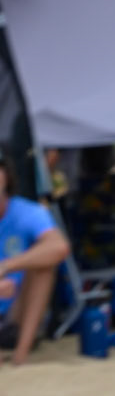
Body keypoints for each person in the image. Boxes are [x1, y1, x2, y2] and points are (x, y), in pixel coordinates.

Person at [0, 153, 69, 368]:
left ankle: (21, 354)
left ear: (6, 176)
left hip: (15, 312)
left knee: (44, 267)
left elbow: (59, 247)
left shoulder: (26, 211)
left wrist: (6, 266)